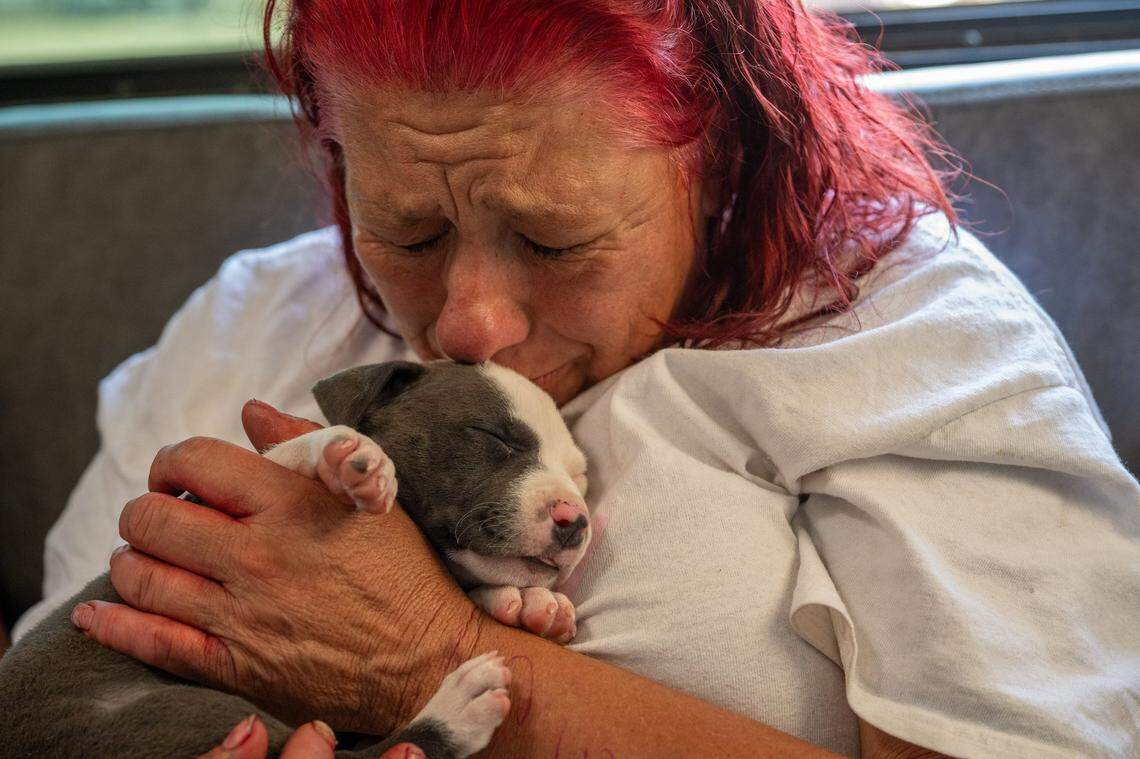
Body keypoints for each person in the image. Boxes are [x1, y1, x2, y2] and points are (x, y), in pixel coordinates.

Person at [13, 1, 1139, 757]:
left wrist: (448, 664)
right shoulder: (254, 321)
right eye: (403, 232)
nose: (468, 324)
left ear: (726, 154)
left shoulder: (902, 338)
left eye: (554, 243)